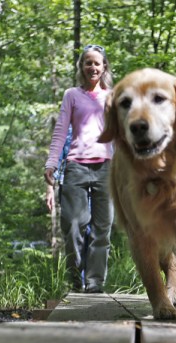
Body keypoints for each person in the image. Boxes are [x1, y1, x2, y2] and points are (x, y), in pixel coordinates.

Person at [44, 44, 114, 293]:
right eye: (88, 63)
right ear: (81, 67)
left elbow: (121, 135)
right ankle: (76, 280)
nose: (92, 67)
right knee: (73, 226)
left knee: (101, 230)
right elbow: (61, 131)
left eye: (97, 63)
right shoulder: (72, 95)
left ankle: (95, 284)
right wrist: (52, 163)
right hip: (75, 167)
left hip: (106, 168)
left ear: (104, 66)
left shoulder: (113, 97)